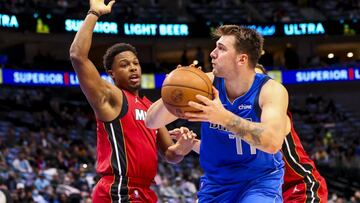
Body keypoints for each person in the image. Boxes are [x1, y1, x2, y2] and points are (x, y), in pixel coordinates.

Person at [69, 0, 196, 202]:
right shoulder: (110, 97)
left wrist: (182, 148)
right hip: (119, 188)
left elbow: (169, 155)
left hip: (144, 191)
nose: (133, 68)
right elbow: (77, 56)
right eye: (124, 65)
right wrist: (93, 13)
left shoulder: (150, 107)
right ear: (112, 73)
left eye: (135, 63)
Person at [146, 25, 290, 202]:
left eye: (221, 49)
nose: (212, 53)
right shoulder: (205, 84)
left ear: (242, 59)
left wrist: (223, 117)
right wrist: (174, 90)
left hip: (259, 182)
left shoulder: (270, 90)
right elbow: (151, 121)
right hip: (216, 183)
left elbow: (272, 142)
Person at [170, 64, 329, 202]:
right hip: (259, 186)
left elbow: (268, 142)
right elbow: (237, 147)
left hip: (297, 185)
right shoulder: (234, 117)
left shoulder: (271, 114)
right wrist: (194, 144)